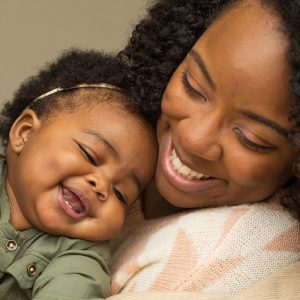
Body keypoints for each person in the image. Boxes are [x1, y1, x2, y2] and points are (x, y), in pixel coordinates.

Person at [107, 0, 300, 299]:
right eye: (192, 86)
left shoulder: (205, 271)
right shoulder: (96, 123)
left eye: (251, 138)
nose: (195, 138)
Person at [0, 49, 157, 300]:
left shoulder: (81, 256)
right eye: (90, 155)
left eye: (120, 193)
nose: (101, 185)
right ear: (25, 133)